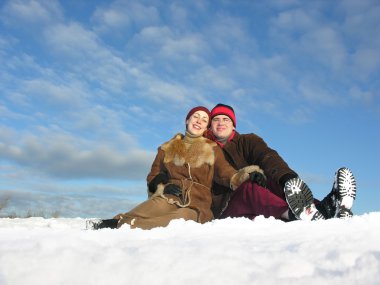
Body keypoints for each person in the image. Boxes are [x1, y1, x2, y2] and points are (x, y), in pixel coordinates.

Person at [87, 106, 262, 230]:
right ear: (187, 120)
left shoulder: (212, 149)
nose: (199, 121)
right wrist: (160, 185)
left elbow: (228, 175)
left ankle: (125, 228)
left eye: (204, 120)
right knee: (145, 211)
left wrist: (248, 175)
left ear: (205, 127)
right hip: (170, 197)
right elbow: (153, 176)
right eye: (196, 117)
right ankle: (111, 224)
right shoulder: (167, 148)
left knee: (180, 220)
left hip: (196, 206)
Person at [205, 103, 357, 222]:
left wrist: (287, 178)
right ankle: (293, 214)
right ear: (210, 125)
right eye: (216, 119)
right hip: (227, 208)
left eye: (226, 119)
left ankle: (326, 208)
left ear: (233, 124)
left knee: (272, 180)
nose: (220, 123)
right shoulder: (204, 150)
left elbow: (266, 156)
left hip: (257, 206)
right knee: (248, 188)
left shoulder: (248, 141)